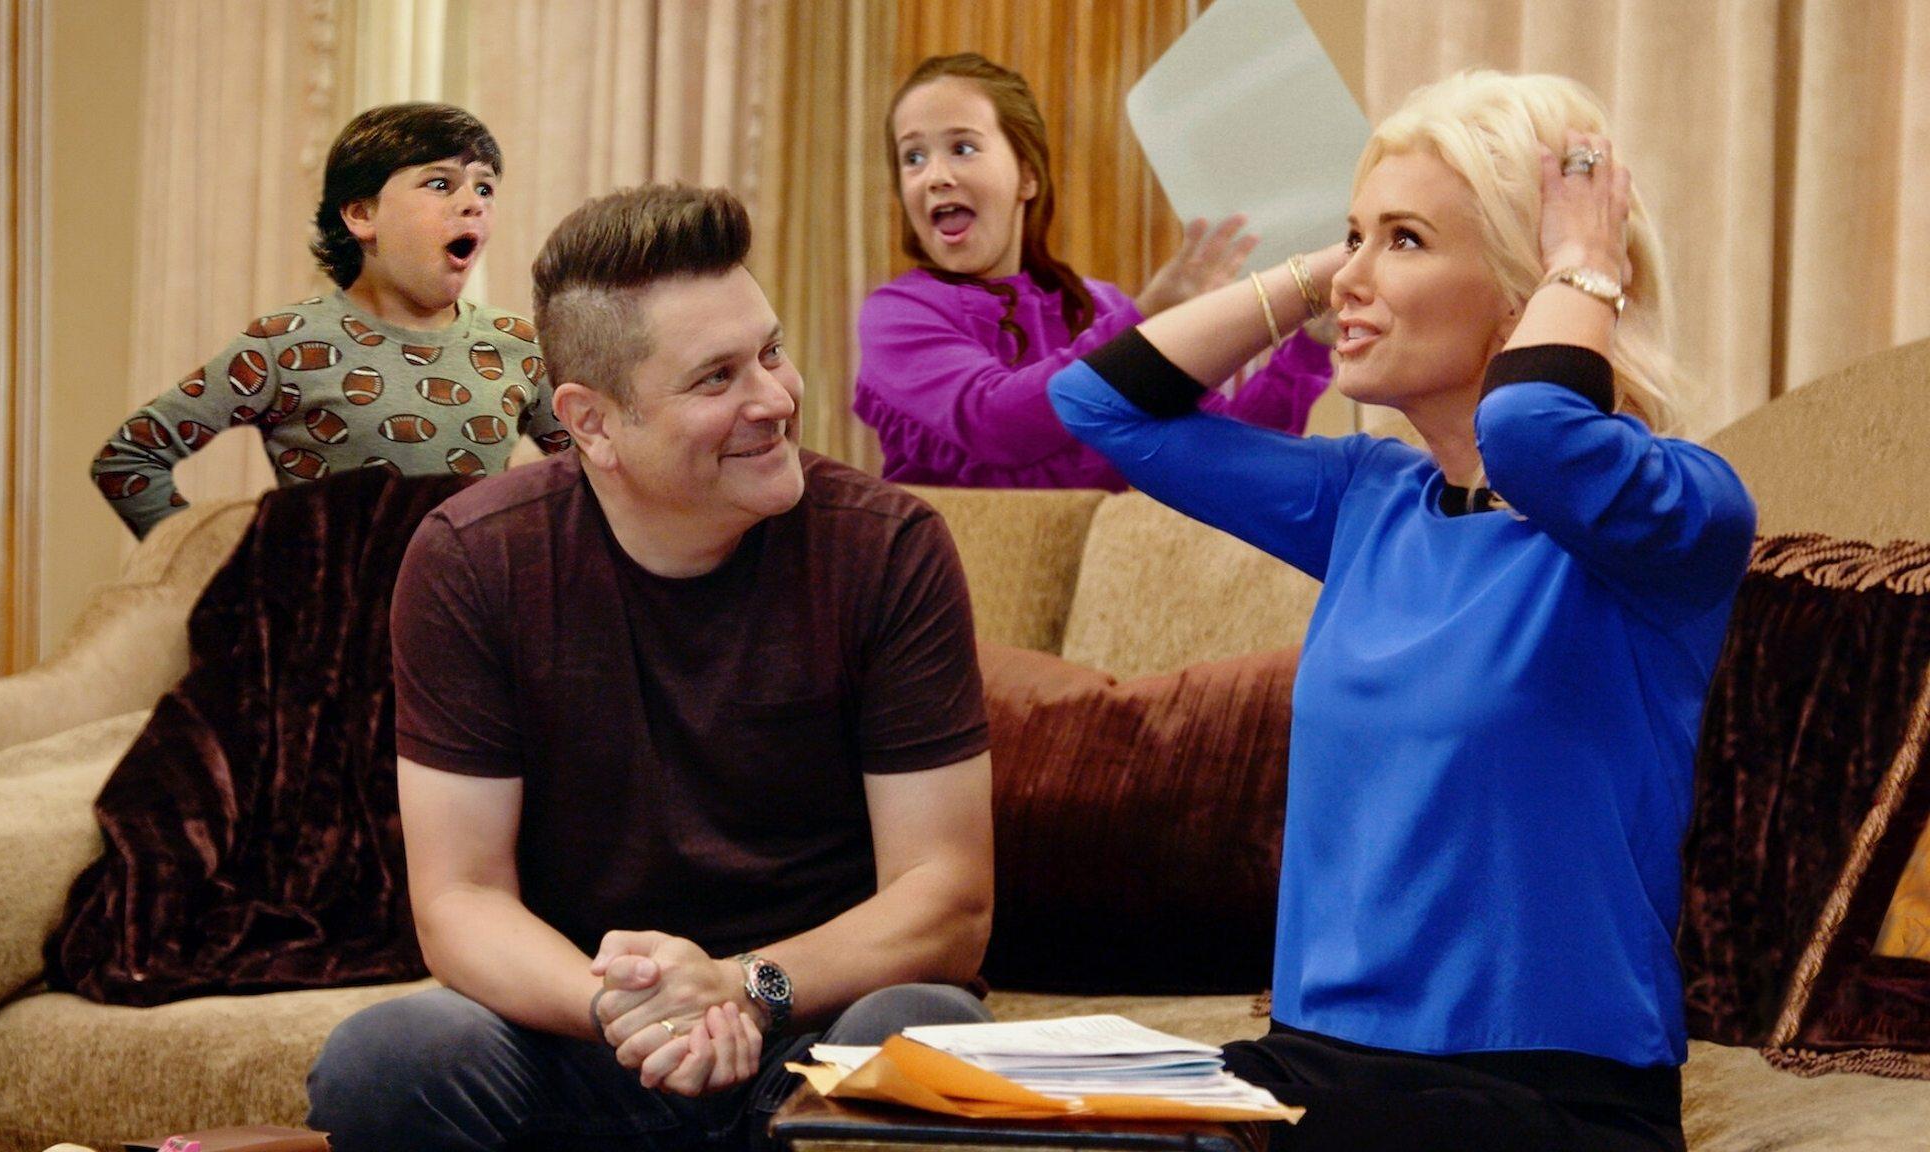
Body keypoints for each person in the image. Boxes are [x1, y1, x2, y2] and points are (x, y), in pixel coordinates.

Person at [1048, 71, 1756, 1151]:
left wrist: (1585, 266)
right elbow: (1100, 405)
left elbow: (1530, 433)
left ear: (1521, 293)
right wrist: (1327, 271)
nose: (1353, 278)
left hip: (1550, 1098)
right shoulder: (1368, 500)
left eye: (1407, 241)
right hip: (1314, 1068)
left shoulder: (1676, 515)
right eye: (1353, 236)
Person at [305, 184, 996, 1152]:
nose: (775, 398)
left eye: (770, 352)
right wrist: (625, 1010)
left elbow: (948, 900)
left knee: (926, 1033)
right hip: (586, 1037)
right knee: (387, 1059)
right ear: (590, 422)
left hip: (809, 1026)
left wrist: (744, 989)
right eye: (716, 379)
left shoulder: (888, 548)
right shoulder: (472, 561)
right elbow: (459, 900)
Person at [853, 52, 1334, 490]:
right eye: (913, 157)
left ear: (1027, 176)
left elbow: (1224, 457)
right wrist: (1146, 321)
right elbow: (997, 424)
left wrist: (1311, 345)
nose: (935, 176)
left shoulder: (1101, 307)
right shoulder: (895, 317)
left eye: (962, 148)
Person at [92, 102, 571, 538]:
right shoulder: (285, 343)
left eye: (485, 187)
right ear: (362, 215)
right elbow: (128, 459)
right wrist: (226, 571)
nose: (474, 202)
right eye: (440, 183)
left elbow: (585, 482)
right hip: (338, 609)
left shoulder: (519, 345)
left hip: (466, 607)